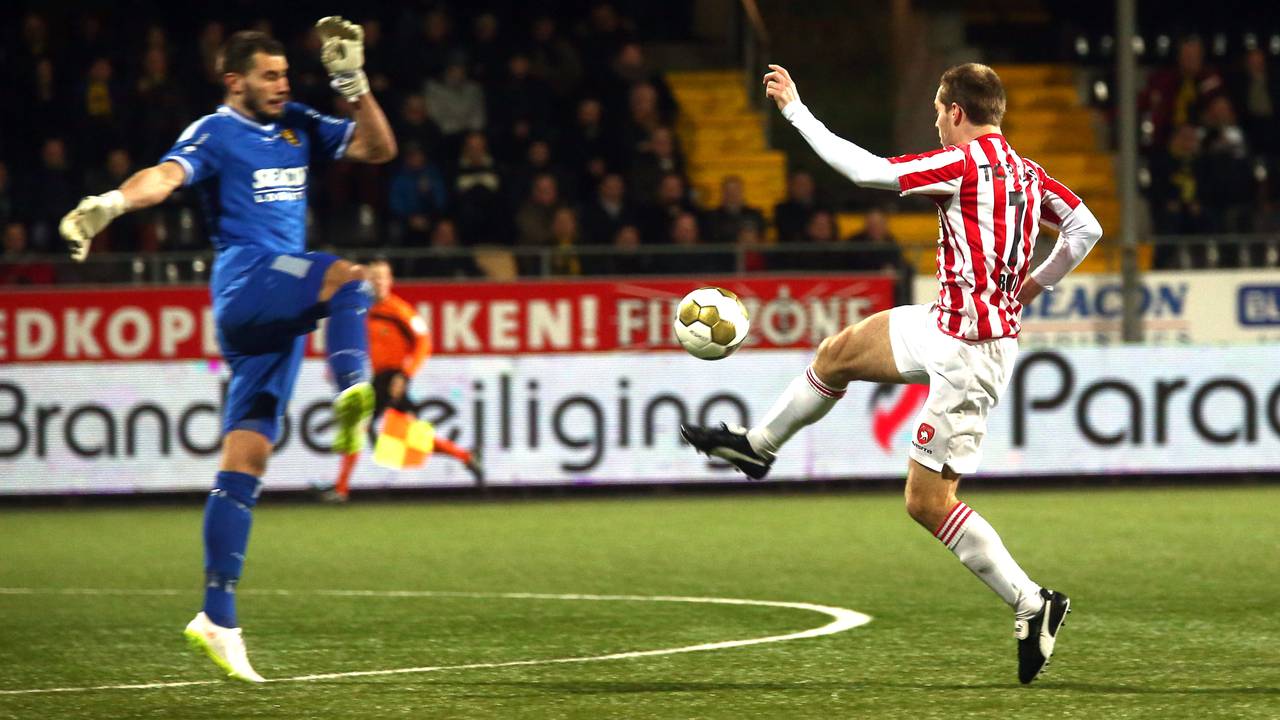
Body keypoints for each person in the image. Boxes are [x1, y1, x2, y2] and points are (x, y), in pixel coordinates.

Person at [681, 63, 1102, 684]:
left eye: (938, 112)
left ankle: (1031, 602)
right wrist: (1032, 286)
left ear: (957, 111)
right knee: (838, 354)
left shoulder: (963, 164)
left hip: (972, 353)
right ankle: (757, 447)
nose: (936, 123)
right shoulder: (1028, 173)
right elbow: (1086, 228)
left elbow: (865, 171)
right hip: (943, 323)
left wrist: (795, 110)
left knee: (926, 503)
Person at [57, 21, 397, 683]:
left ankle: (217, 617)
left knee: (247, 460)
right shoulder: (215, 131)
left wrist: (352, 83)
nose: (282, 85)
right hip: (248, 283)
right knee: (349, 280)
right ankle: (354, 390)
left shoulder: (297, 123)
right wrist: (111, 204)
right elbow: (165, 176)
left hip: (279, 310)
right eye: (269, 76)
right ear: (234, 80)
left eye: (286, 74)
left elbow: (378, 148)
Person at [326, 258, 482, 502]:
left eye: (381, 278)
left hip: (393, 378)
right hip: (379, 378)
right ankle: (465, 456)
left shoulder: (399, 310)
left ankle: (340, 488)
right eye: (373, 278)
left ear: (390, 281)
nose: (377, 282)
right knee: (404, 436)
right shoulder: (364, 310)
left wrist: (405, 375)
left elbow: (424, 342)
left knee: (368, 427)